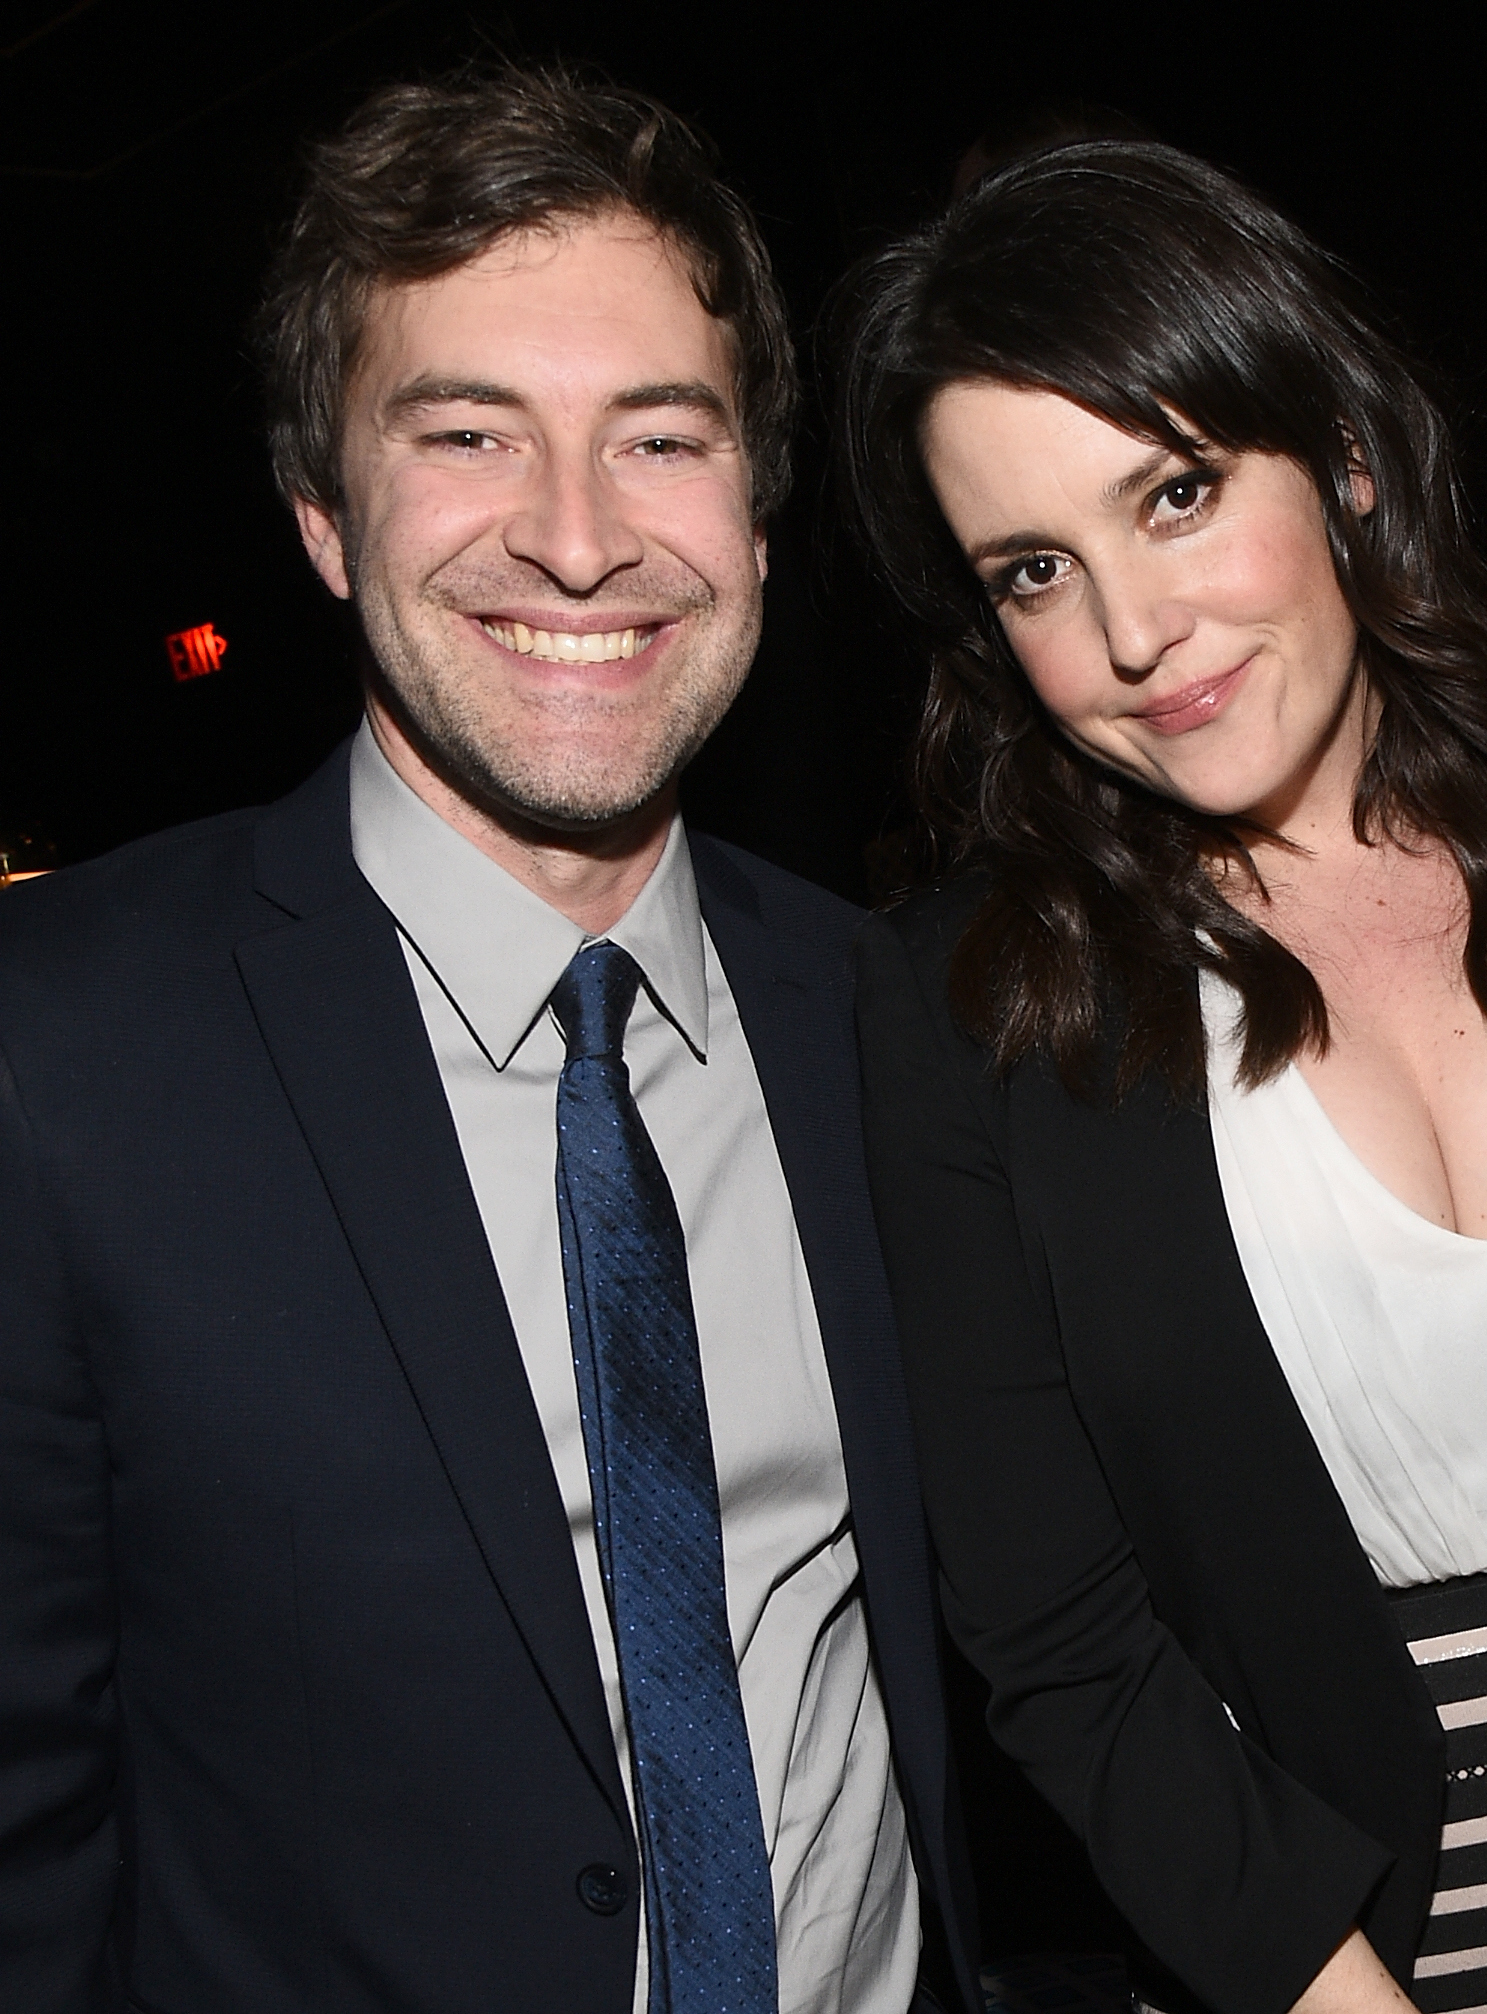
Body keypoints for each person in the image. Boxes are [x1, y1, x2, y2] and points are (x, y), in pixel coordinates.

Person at [0, 67, 978, 2014]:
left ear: (760, 524)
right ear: (323, 521)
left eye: (659, 438)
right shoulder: (55, 1054)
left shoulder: (889, 1015)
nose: (578, 537)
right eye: (466, 433)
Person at [835, 142, 1487, 2014]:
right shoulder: (967, 1011)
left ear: (1350, 462)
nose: (1133, 634)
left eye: (1179, 489)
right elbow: (1061, 1642)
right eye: (1036, 570)